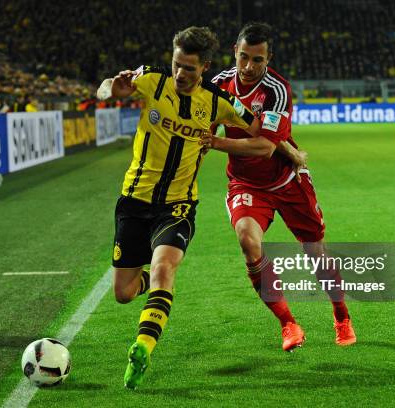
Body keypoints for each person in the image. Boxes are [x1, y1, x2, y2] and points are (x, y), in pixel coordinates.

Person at [96, 26, 289, 390]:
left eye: (189, 68)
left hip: (178, 205)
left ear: (204, 68)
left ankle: (143, 347)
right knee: (123, 293)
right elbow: (107, 87)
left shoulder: (219, 101)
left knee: (163, 267)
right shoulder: (152, 80)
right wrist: (112, 88)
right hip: (133, 203)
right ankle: (146, 295)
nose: (180, 74)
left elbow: (260, 134)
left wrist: (286, 149)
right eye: (176, 65)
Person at [205, 22, 356, 350]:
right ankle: (288, 324)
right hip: (246, 183)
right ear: (234, 51)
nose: (248, 67)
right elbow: (202, 121)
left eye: (256, 60)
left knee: (316, 253)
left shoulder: (277, 89)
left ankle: (341, 314)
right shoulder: (217, 84)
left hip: (287, 180)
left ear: (268, 59)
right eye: (243, 57)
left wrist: (214, 142)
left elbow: (264, 147)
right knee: (248, 241)